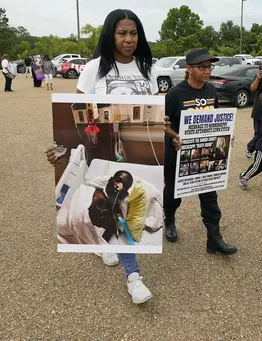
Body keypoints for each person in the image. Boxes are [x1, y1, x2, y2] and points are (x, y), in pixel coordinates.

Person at [45, 9, 158, 304]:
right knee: (115, 205)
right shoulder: (94, 68)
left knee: (133, 203)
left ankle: (107, 242)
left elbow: (154, 111)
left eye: (133, 33)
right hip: (103, 149)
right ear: (111, 35)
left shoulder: (148, 68)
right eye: (122, 33)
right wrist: (69, 141)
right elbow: (78, 111)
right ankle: (134, 277)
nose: (129, 39)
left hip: (134, 148)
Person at [163, 47, 238, 256]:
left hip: (206, 153)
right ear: (189, 69)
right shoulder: (175, 94)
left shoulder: (211, 91)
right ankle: (169, 220)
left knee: (209, 195)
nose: (207, 71)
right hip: (178, 154)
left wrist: (225, 134)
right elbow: (163, 124)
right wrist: (175, 136)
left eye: (209, 66)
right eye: (202, 67)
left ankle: (214, 238)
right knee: (172, 194)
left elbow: (213, 119)